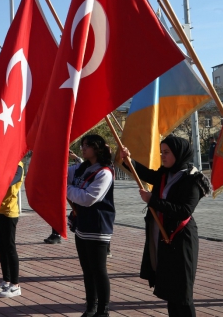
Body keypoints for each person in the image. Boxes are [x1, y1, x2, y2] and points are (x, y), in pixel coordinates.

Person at [122, 135, 211, 317]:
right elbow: (146, 174)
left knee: (183, 294)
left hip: (181, 238)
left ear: (179, 153)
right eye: (161, 152)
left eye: (167, 152)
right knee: (171, 292)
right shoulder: (165, 173)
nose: (162, 156)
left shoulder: (193, 179)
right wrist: (128, 160)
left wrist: (152, 200)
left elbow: (184, 210)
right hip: (163, 238)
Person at [67, 135, 115, 317]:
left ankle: (103, 311)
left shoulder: (104, 172)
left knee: (99, 270)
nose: (83, 149)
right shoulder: (81, 168)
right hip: (82, 225)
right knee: (87, 270)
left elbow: (88, 198)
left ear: (97, 148)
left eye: (87, 145)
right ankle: (90, 307)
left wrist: (66, 189)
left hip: (97, 226)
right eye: (83, 145)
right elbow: (62, 174)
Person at [0, 161, 25, 298]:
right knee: (1, 248)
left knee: (10, 248)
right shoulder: (1, 162)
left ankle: (15, 286)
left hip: (9, 213)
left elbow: (9, 181)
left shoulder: (18, 165)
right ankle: (6, 280)